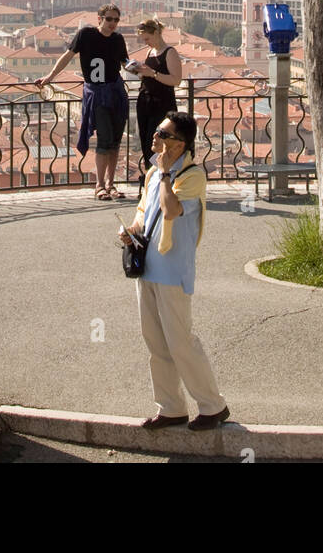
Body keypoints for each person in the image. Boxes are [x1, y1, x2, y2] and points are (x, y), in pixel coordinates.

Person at [119, 111, 229, 431]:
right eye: (156, 132)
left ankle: (213, 405)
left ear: (180, 144)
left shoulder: (191, 176)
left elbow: (170, 210)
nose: (155, 138)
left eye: (162, 135)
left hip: (173, 271)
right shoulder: (153, 174)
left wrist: (166, 174)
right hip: (148, 267)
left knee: (181, 342)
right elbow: (144, 213)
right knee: (156, 342)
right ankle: (170, 408)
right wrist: (130, 231)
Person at [36, 5, 129, 200]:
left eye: (116, 20)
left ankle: (111, 185)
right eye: (109, 19)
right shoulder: (85, 35)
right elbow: (67, 56)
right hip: (97, 94)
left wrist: (143, 69)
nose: (112, 23)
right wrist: (50, 77)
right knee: (104, 140)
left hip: (116, 93)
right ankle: (100, 186)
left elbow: (125, 63)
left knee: (115, 141)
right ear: (99, 19)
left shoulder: (118, 39)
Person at [127, 18, 181, 189]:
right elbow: (149, 74)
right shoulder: (151, 52)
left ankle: (161, 180)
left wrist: (153, 74)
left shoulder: (170, 52)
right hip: (146, 101)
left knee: (160, 141)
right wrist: (140, 71)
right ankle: (151, 178)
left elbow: (176, 80)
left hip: (162, 103)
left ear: (156, 33)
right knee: (146, 141)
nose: (146, 42)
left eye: (147, 38)